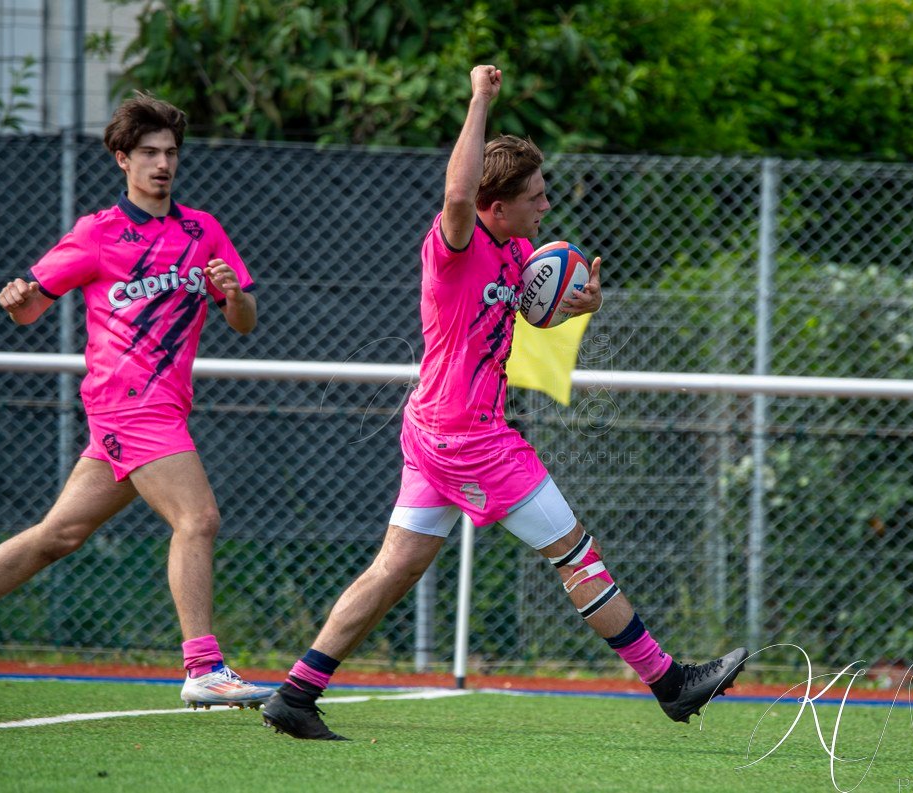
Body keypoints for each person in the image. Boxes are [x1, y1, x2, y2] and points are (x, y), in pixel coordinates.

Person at [261, 66, 746, 741]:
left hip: (438, 427)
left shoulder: (515, 250)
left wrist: (581, 308)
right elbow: (457, 190)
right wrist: (479, 99)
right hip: (469, 435)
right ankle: (669, 682)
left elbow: (525, 313)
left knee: (394, 565)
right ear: (496, 203)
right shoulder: (455, 245)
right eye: (535, 197)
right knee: (576, 553)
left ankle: (295, 691)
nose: (545, 207)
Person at [0, 92, 274, 710]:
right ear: (122, 159)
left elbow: (245, 323)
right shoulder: (98, 233)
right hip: (128, 406)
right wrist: (17, 297)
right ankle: (203, 667)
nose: (162, 164)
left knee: (58, 535)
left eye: (170, 152)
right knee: (197, 518)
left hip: (160, 409)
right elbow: (31, 308)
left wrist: (233, 295)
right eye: (148, 152)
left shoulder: (203, 230)